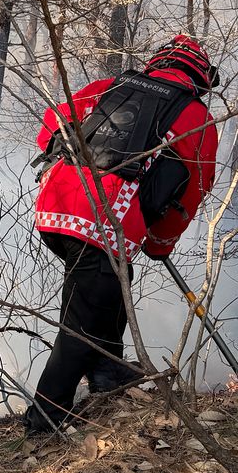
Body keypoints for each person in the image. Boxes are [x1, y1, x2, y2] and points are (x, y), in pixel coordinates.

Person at [25, 35, 219, 433]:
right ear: (200, 78)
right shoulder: (196, 118)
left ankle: (109, 374)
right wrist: (159, 243)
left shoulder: (113, 86)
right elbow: (192, 191)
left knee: (112, 284)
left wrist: (57, 163)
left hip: (54, 209)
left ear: (157, 62)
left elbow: (53, 121)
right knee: (82, 321)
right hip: (105, 222)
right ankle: (43, 420)